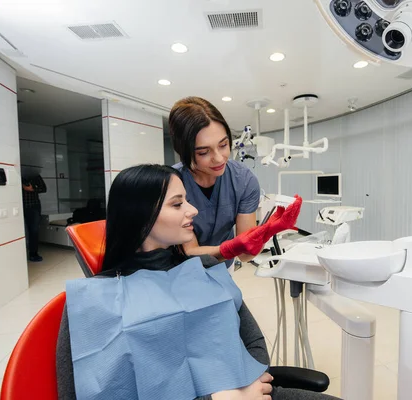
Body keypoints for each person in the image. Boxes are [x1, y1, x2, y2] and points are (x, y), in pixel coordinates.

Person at [56, 164, 339, 400]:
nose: (192, 210)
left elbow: (252, 342)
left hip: (252, 390)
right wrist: (219, 398)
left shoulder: (204, 269)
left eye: (187, 200)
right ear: (140, 216)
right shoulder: (93, 301)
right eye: (178, 204)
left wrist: (241, 390)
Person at [169, 97, 302, 271]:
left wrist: (268, 230)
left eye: (223, 145)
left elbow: (245, 255)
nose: (219, 158)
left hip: (224, 265)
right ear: (183, 151)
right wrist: (232, 247)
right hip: (181, 269)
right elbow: (191, 251)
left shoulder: (243, 180)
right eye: (203, 152)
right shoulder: (171, 183)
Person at [22, 170, 47, 262]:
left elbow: (44, 188)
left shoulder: (35, 175)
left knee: (34, 230)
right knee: (21, 231)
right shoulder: (17, 175)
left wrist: (32, 189)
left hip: (33, 206)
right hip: (19, 206)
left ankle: (33, 254)